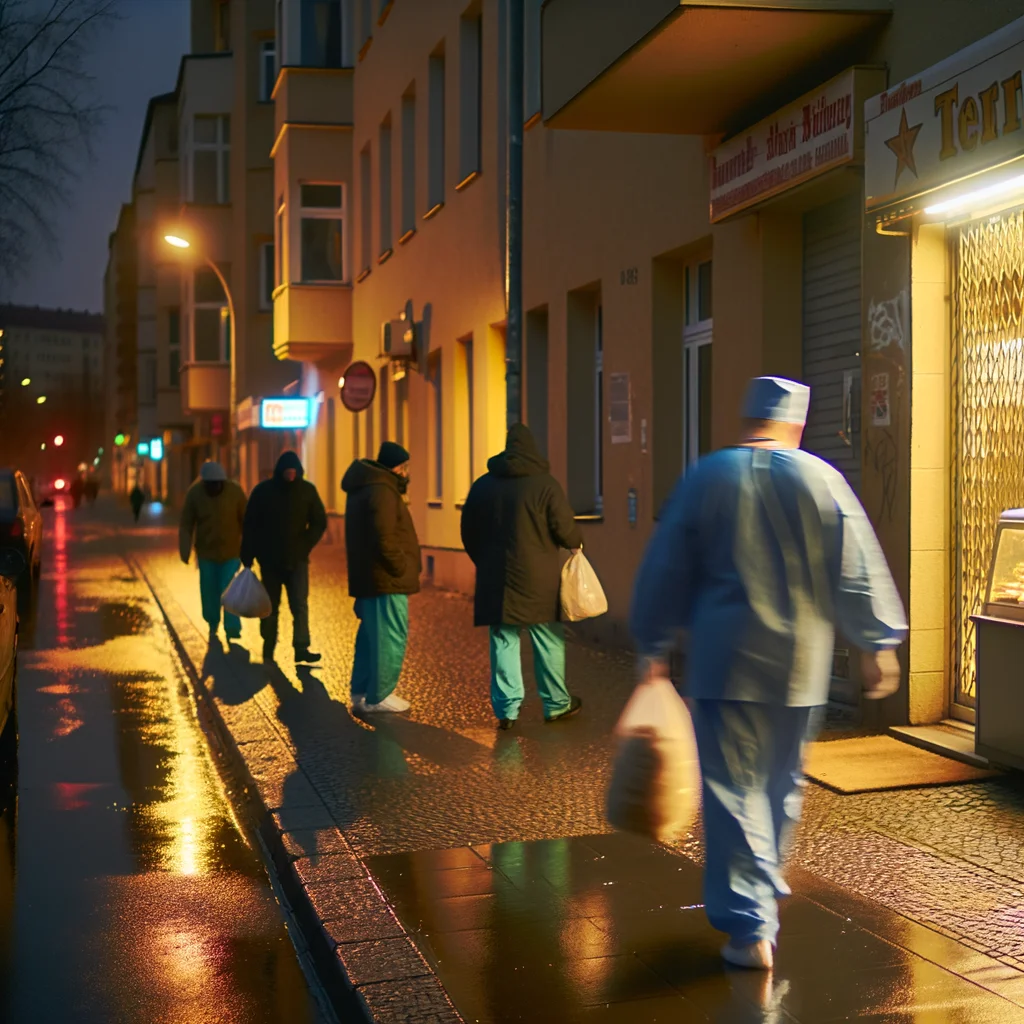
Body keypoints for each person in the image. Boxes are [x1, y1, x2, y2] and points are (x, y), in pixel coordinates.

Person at [630, 376, 908, 972]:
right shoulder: (822, 479)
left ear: (747, 417)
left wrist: (652, 645)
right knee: (782, 790)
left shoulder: (709, 476)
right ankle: (761, 896)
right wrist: (876, 642)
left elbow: (666, 566)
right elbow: (857, 564)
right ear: (797, 423)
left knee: (734, 793)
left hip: (724, 664)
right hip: (800, 669)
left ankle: (749, 925)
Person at [460, 424, 584, 730]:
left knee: (503, 639)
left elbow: (468, 532)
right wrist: (575, 543)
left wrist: (485, 561)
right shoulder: (545, 485)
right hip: (539, 578)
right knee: (548, 639)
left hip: (496, 578)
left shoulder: (483, 486)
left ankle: (507, 710)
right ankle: (556, 704)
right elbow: (565, 529)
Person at [342, 441, 421, 714]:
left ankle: (361, 691)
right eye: (404, 466)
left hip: (369, 577)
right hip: (385, 578)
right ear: (396, 467)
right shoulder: (382, 491)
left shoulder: (365, 487)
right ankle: (380, 695)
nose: (406, 472)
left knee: (369, 637)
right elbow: (384, 537)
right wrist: (400, 567)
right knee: (390, 636)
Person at [241, 451, 327, 665]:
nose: (291, 475)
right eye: (288, 472)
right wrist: (248, 554)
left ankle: (301, 647)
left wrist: (305, 545)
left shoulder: (306, 491)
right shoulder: (263, 492)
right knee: (270, 606)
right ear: (280, 472)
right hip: (269, 560)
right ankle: (268, 646)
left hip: (296, 559)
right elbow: (250, 525)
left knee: (299, 604)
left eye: (294, 472)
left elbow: (319, 521)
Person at [179, 460, 248, 643]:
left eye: (217, 484)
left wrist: (250, 548)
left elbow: (246, 521)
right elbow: (186, 523)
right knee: (209, 589)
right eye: (210, 484)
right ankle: (212, 621)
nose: (214, 487)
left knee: (229, 588)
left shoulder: (235, 492)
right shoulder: (194, 494)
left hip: (231, 552)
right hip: (206, 553)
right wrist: (184, 550)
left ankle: (232, 627)